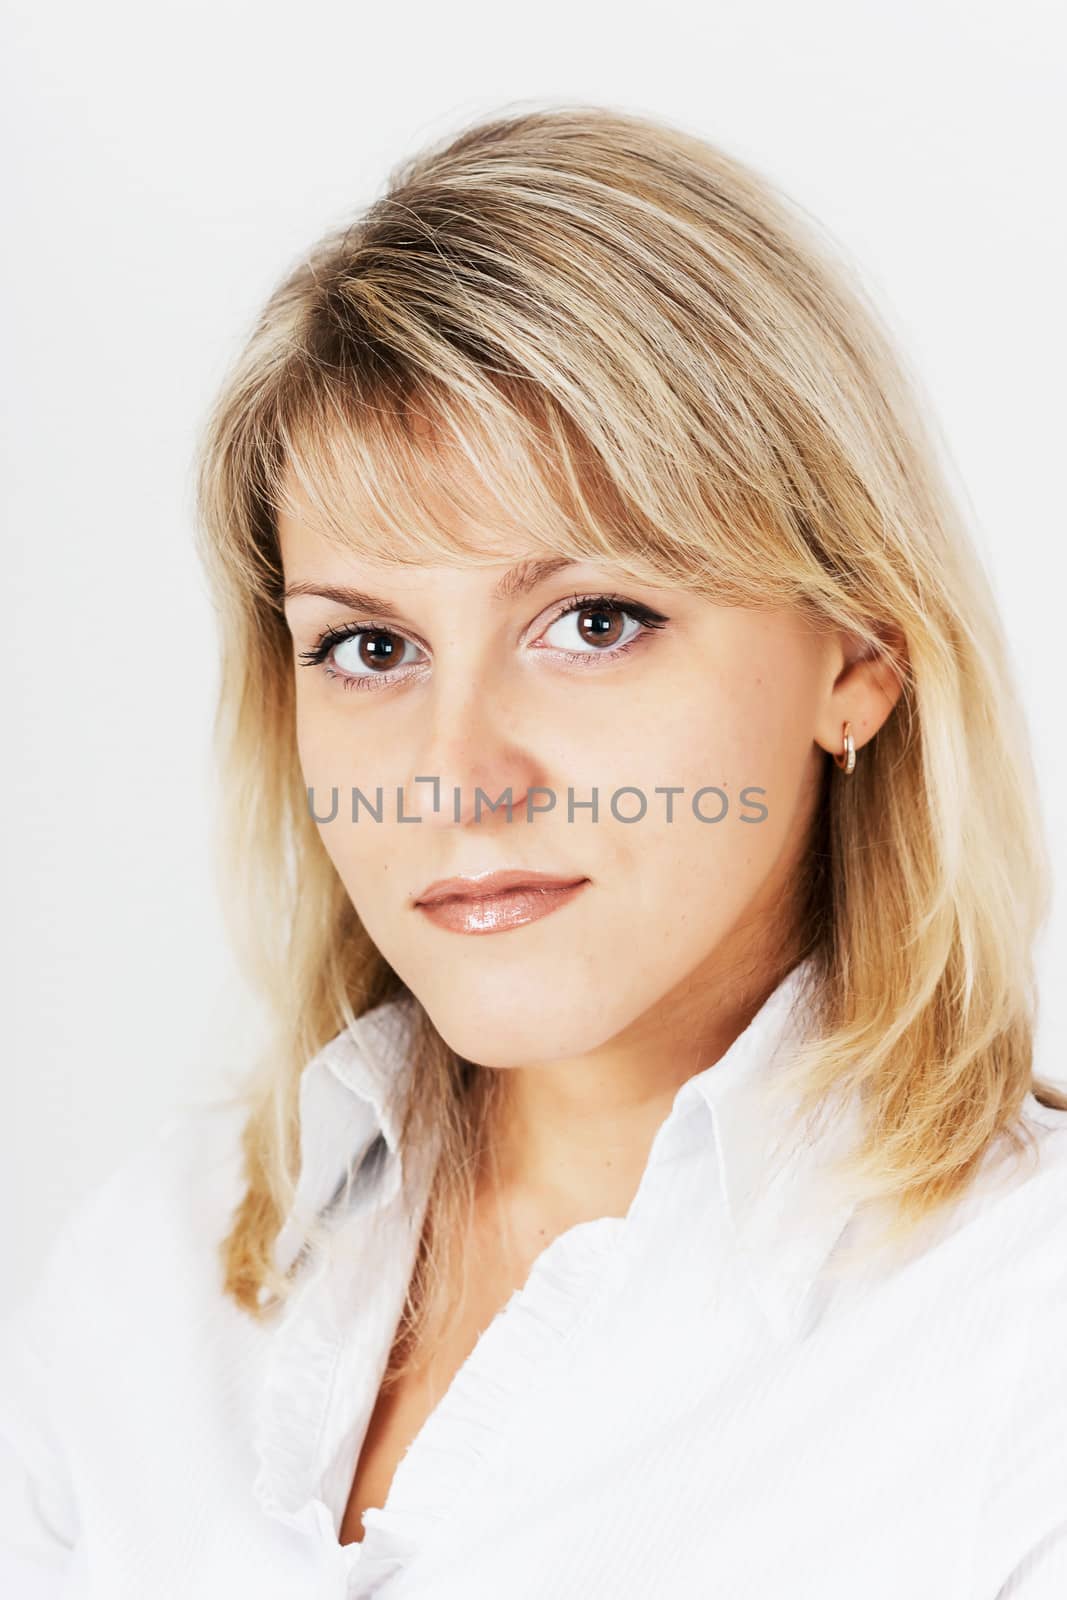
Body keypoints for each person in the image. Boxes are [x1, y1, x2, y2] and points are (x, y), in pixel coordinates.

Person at [2, 101, 1065, 1600]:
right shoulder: (149, 1279)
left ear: (859, 660)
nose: (455, 778)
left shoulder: (1024, 1351)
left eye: (594, 624)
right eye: (368, 645)